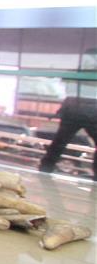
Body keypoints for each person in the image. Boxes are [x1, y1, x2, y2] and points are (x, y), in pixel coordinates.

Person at [40, 48, 97, 176]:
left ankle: (45, 168)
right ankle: (45, 168)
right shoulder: (76, 73)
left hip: (79, 111)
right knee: (59, 143)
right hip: (82, 111)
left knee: (59, 143)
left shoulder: (76, 73)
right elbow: (68, 90)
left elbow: (68, 89)